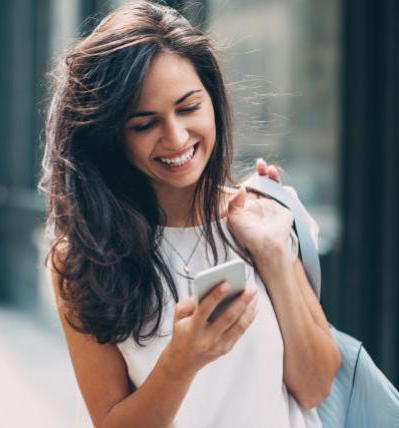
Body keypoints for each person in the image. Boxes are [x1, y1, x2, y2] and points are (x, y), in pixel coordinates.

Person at [39, 2, 341, 427]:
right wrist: (182, 361)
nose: (177, 138)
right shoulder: (82, 258)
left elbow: (315, 387)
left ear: (212, 99)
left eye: (188, 107)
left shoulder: (262, 216)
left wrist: (273, 256)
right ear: (111, 137)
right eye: (145, 124)